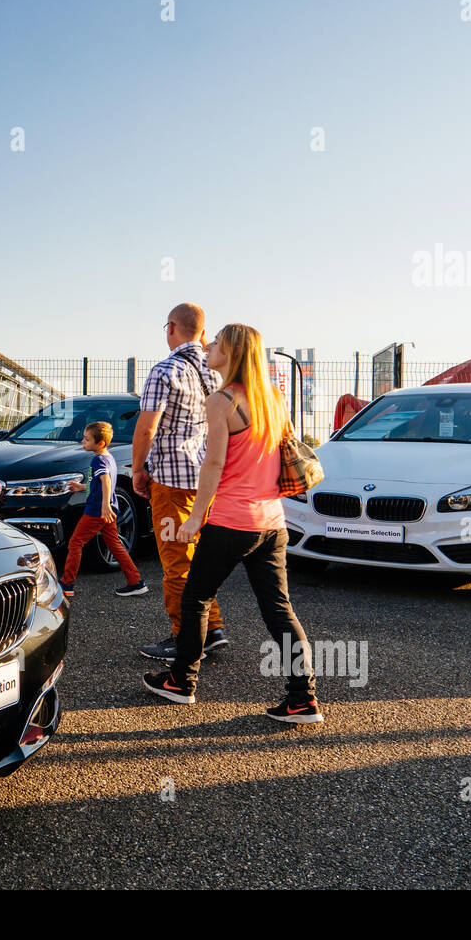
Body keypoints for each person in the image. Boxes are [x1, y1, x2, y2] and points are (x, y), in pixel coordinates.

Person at [142, 323, 322, 724]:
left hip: (231, 521)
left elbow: (214, 464)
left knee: (195, 597)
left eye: (217, 343)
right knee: (278, 609)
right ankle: (302, 699)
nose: (208, 346)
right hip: (272, 522)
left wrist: (193, 517)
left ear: (233, 353)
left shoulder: (221, 401)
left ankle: (181, 681)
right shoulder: (272, 399)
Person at [132, 303, 227, 661]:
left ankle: (185, 638)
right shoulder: (216, 373)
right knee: (201, 557)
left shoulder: (164, 371)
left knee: (176, 563)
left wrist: (138, 469)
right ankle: (212, 628)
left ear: (171, 328)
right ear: (202, 333)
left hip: (171, 481)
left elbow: (147, 427)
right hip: (206, 480)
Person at [61, 422, 148, 598]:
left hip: (97, 511)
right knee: (115, 545)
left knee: (75, 543)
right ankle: (136, 581)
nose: (83, 441)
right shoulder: (108, 457)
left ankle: (67, 584)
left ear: (99, 443)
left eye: (86, 439)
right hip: (108, 509)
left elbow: (106, 481)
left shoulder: (98, 459)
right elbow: (97, 483)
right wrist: (81, 487)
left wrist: (104, 505)